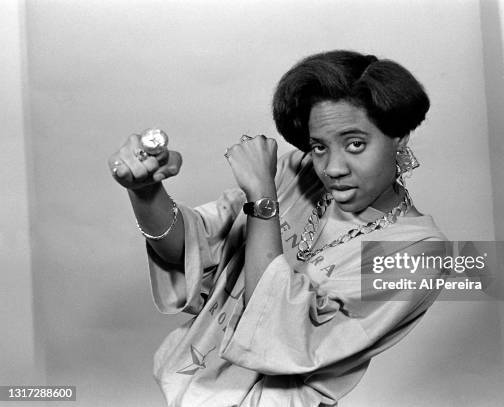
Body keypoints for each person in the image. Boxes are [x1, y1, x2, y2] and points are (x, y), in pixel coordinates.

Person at [108, 50, 448, 407]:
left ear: (400, 138)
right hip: (189, 393)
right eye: (319, 146)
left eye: (355, 144)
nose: (332, 167)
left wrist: (262, 203)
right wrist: (145, 190)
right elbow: (193, 250)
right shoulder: (298, 175)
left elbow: (276, 334)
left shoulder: (418, 250)